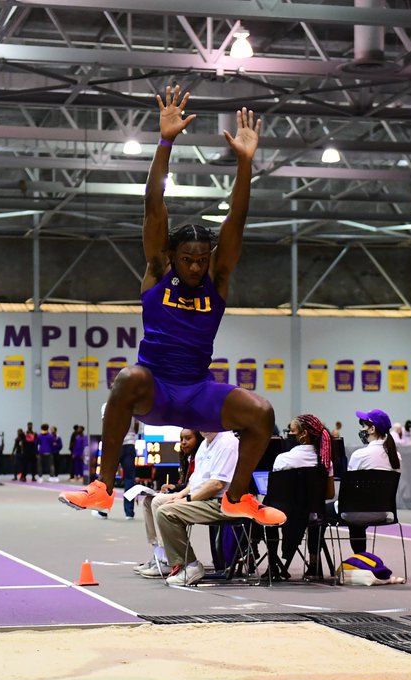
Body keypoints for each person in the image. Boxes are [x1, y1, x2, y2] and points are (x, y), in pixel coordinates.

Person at [59, 88, 283, 527]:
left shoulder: (217, 279)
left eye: (203, 258)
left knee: (261, 413)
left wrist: (245, 163)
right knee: (127, 378)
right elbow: (153, 206)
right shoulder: (158, 270)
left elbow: (235, 222)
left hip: (198, 392)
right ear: (173, 257)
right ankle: (102, 487)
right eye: (189, 259)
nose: (197, 265)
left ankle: (238, 497)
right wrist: (164, 144)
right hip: (156, 387)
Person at [154, 430, 241, 586]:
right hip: (203, 498)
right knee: (158, 502)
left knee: (166, 512)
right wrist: (180, 495)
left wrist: (187, 499)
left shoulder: (227, 443)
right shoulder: (205, 443)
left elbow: (217, 484)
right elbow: (195, 480)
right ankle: (165, 558)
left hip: (221, 503)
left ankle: (190, 565)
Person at [271, 414, 335, 578]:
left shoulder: (283, 459)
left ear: (303, 434)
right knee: (316, 513)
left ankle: (272, 565)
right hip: (312, 514)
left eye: (291, 431)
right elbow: (329, 494)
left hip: (286, 514)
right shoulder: (325, 461)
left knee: (268, 509)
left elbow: (275, 494)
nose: (289, 434)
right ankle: (314, 564)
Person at [134, 428, 200, 578]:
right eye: (182, 439)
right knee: (148, 501)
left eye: (188, 438)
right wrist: (173, 488)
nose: (183, 442)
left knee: (157, 501)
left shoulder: (200, 456)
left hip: (197, 496)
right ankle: (158, 553)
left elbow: (197, 484)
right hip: (185, 493)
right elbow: (186, 483)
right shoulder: (186, 458)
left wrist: (176, 490)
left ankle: (167, 560)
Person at [336, 409, 402, 554]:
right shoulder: (395, 456)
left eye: (363, 426)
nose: (361, 430)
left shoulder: (359, 455)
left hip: (356, 511)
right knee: (358, 511)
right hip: (383, 512)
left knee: (319, 515)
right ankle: (361, 559)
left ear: (372, 429)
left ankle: (315, 567)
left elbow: (350, 488)